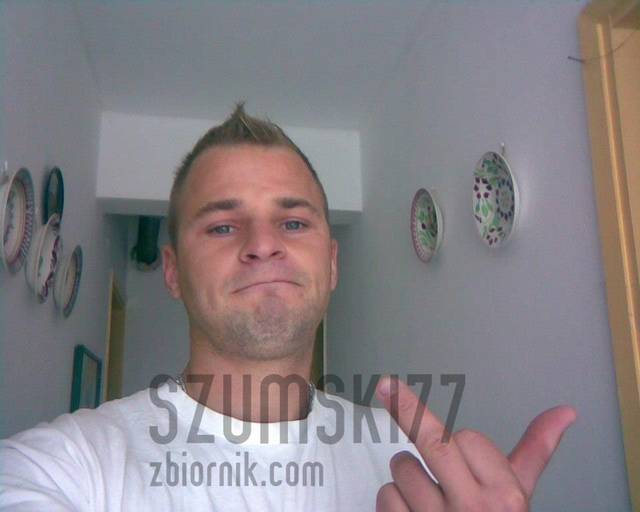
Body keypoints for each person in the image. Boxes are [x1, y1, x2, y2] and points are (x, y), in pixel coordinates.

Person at [0, 104, 576, 511]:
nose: (262, 244)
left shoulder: (411, 462)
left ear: (332, 264)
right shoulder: (71, 466)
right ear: (172, 271)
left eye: (294, 222)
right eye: (223, 225)